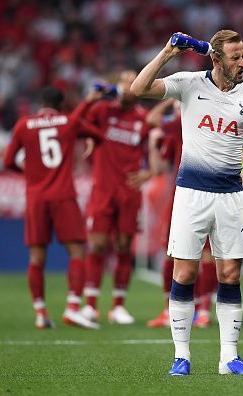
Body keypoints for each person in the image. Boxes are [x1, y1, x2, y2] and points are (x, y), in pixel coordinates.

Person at [130, 29, 243, 376]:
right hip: (191, 194)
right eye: (235, 57)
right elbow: (138, 89)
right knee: (186, 271)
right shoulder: (189, 83)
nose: (242, 62)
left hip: (230, 196)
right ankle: (182, 356)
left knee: (230, 274)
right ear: (216, 58)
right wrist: (166, 54)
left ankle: (229, 358)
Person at [3, 86, 103, 330]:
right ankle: (72, 308)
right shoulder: (68, 121)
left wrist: (28, 172)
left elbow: (7, 161)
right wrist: (89, 138)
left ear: (41, 103)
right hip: (63, 195)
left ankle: (40, 313)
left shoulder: (23, 125)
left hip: (35, 197)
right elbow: (97, 135)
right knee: (77, 250)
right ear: (61, 105)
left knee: (37, 256)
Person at [81, 70, 154, 325]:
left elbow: (156, 145)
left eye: (131, 83)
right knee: (98, 245)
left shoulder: (144, 118)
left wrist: (150, 172)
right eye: (122, 83)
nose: (126, 88)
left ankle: (118, 306)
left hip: (129, 192)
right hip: (102, 189)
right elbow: (76, 123)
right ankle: (90, 305)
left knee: (124, 247)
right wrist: (91, 99)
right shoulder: (102, 111)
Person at [145, 99, 217, 329]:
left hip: (188, 195)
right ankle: (198, 310)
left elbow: (152, 119)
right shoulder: (201, 121)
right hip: (201, 193)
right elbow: (160, 165)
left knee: (185, 253)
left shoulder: (181, 122)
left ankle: (188, 310)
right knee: (198, 254)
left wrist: (169, 99)